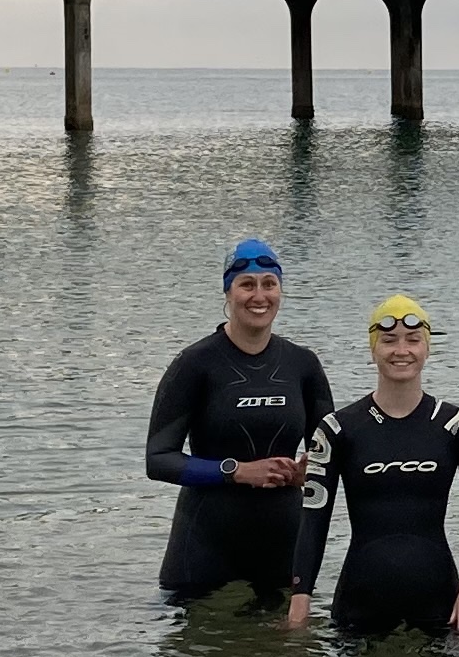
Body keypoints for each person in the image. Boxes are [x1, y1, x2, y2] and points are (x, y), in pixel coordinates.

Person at [282, 294, 459, 638]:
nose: (402, 351)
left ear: (427, 348)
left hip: (440, 601)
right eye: (389, 340)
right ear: (373, 349)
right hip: (359, 599)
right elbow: (314, 520)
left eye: (413, 340)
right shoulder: (337, 429)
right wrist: (301, 597)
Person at [143, 237, 335, 608]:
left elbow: (328, 452)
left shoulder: (303, 366)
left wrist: (305, 473)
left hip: (283, 542)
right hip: (204, 542)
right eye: (247, 285)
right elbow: (159, 459)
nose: (259, 296)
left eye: (269, 284)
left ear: (280, 291)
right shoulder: (195, 364)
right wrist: (237, 471)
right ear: (228, 292)